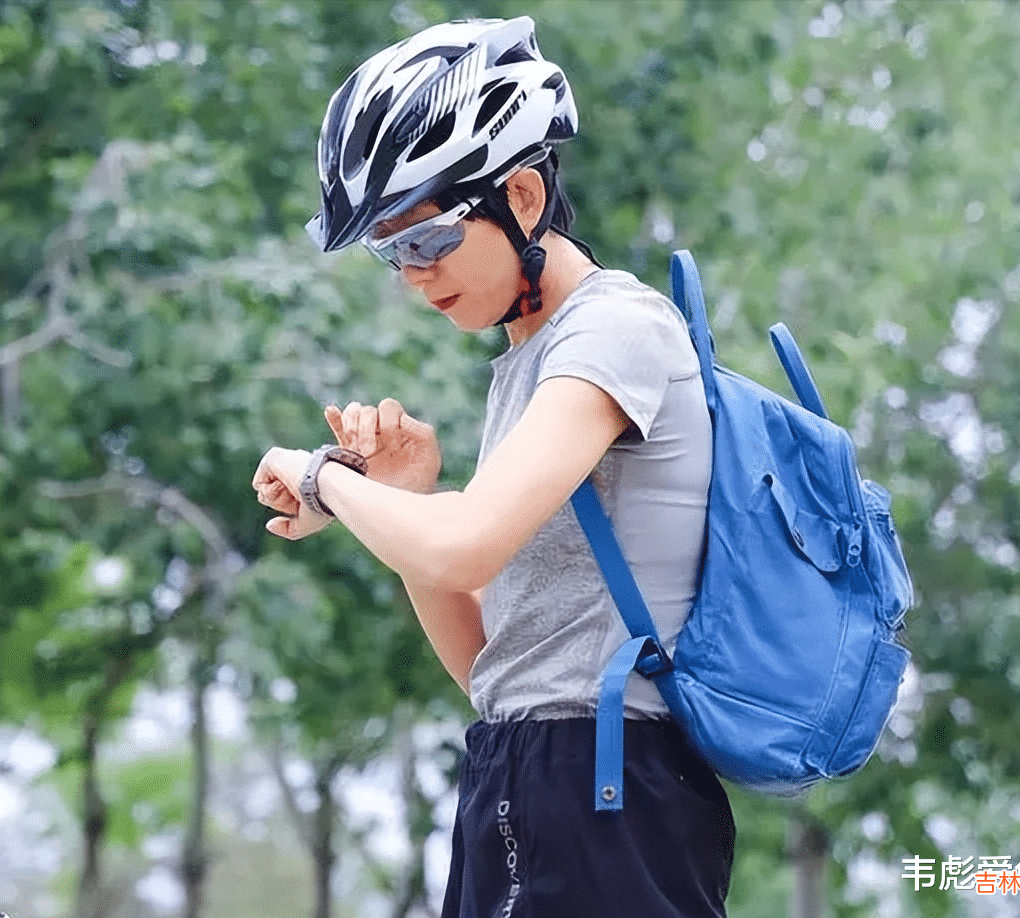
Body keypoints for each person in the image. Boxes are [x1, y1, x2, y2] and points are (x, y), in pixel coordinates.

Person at [252, 16, 734, 917]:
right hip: (525, 768)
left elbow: (466, 547)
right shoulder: (530, 359)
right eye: (390, 253)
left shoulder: (610, 331)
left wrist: (326, 480)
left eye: (427, 240)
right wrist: (406, 500)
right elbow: (494, 668)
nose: (413, 277)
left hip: (609, 787)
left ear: (518, 196)